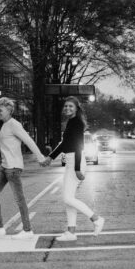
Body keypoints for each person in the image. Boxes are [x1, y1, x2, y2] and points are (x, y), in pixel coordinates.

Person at [0, 96, 49, 240]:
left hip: (13, 168)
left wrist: (40, 157)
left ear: (8, 110)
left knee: (19, 199)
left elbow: (29, 140)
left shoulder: (14, 124)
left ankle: (27, 230)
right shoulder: (5, 125)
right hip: (4, 167)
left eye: (0, 110)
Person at [44, 95, 105, 240]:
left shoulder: (76, 122)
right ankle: (71, 232)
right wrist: (50, 158)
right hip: (71, 161)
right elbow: (64, 144)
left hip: (75, 162)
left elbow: (79, 146)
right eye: (66, 106)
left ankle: (96, 219)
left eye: (71, 106)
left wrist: (77, 168)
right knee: (69, 198)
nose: (67, 108)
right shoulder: (71, 122)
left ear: (77, 108)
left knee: (67, 198)